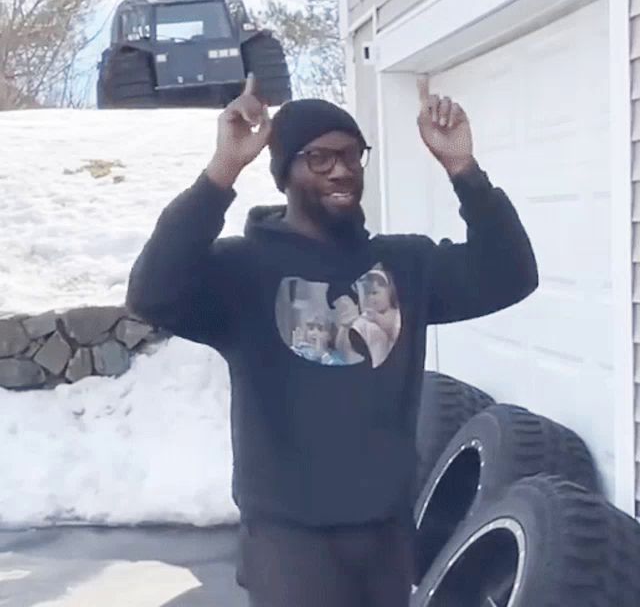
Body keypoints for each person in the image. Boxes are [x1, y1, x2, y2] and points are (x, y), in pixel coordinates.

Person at [126, 72, 538, 607]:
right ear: (285, 173)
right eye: (318, 158)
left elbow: (510, 275)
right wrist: (222, 171)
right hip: (288, 541)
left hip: (385, 533)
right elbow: (152, 293)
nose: (341, 170)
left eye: (350, 155)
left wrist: (464, 170)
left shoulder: (404, 265)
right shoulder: (243, 272)